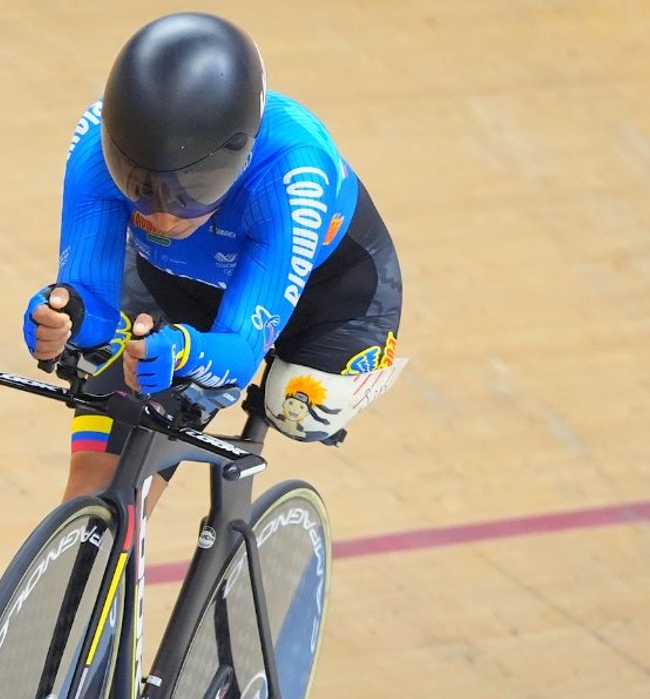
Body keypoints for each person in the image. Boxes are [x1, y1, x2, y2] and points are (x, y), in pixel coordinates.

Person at [23, 11, 403, 501]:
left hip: (327, 298)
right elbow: (90, 301)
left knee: (297, 404)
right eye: (138, 184)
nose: (161, 217)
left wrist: (183, 351)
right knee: (99, 484)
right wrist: (65, 318)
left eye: (192, 188)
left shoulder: (293, 174)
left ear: (241, 157)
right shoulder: (94, 145)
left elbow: (239, 352)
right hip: (175, 281)